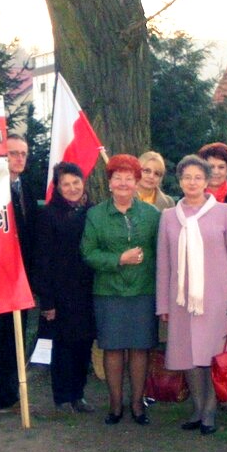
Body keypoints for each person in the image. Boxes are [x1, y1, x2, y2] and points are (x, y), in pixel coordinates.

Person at [156, 155, 227, 435]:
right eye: (187, 177)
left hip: (218, 298)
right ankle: (197, 407)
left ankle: (210, 410)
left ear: (207, 181)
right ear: (179, 181)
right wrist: (163, 304)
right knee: (188, 354)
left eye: (198, 177)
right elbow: (164, 263)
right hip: (182, 299)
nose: (192, 182)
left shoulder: (224, 212)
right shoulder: (169, 216)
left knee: (214, 355)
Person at [80, 154, 161, 426]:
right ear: (109, 183)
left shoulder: (152, 215)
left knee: (140, 348)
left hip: (143, 291)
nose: (123, 183)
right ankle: (115, 404)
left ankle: (137, 404)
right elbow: (88, 253)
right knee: (113, 349)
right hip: (109, 292)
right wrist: (118, 259)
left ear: (137, 182)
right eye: (118, 178)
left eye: (129, 178)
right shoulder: (95, 215)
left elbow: (162, 253)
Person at [0, 134, 38, 420]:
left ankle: (12, 394)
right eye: (13, 153)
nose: (19, 158)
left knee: (16, 338)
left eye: (23, 153)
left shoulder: (26, 187)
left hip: (20, 277)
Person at [33, 162, 96, 414]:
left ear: (83, 183)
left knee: (84, 344)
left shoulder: (94, 212)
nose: (72, 188)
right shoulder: (48, 215)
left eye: (76, 182)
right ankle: (62, 397)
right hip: (60, 293)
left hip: (89, 291)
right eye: (66, 184)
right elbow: (42, 259)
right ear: (57, 188)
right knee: (63, 346)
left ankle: (79, 394)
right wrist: (47, 300)